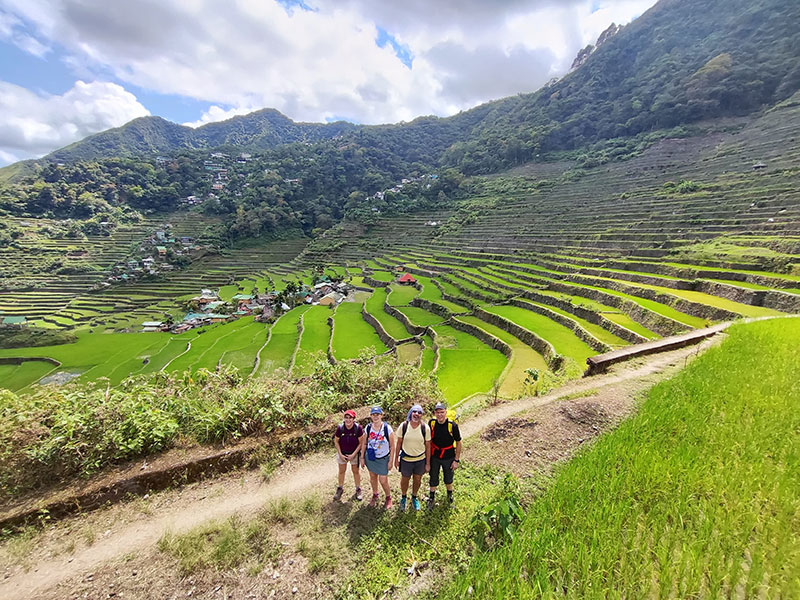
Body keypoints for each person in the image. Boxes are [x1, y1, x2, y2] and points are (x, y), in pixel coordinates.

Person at [394, 403, 431, 511]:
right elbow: (398, 443)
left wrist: (428, 463)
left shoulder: (425, 428)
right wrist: (396, 459)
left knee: (417, 479)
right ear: (411, 413)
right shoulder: (404, 426)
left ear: (421, 415)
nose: (416, 414)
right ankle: (404, 497)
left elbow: (428, 446)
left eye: (419, 412)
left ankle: (414, 497)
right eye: (414, 411)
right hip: (406, 459)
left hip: (420, 460)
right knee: (405, 479)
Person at [428, 402, 461, 510]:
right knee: (433, 477)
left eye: (442, 412)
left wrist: (456, 460)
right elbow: (427, 441)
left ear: (445, 412)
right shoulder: (432, 423)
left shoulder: (452, 425)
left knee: (448, 477)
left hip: (449, 456)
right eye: (437, 413)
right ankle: (431, 497)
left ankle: (449, 495)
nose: (440, 415)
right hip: (435, 456)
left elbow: (459, 442)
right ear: (434, 413)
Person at [361, 406, 395, 509]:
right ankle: (375, 494)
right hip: (371, 457)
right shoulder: (368, 427)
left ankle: (388, 497)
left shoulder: (387, 428)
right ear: (370, 416)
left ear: (381, 415)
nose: (375, 417)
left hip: (383, 458)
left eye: (377, 414)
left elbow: (392, 446)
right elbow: (364, 443)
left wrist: (391, 461)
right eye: (373, 414)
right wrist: (362, 458)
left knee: (383, 480)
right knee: (372, 477)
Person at [333, 409, 364, 501]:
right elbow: (336, 441)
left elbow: (361, 443)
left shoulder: (358, 428)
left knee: (356, 471)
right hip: (342, 453)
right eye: (346, 417)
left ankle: (358, 489)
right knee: (342, 471)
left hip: (354, 453)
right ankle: (340, 488)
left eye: (350, 418)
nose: (348, 420)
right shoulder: (340, 428)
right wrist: (340, 454)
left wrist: (354, 454)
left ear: (354, 419)